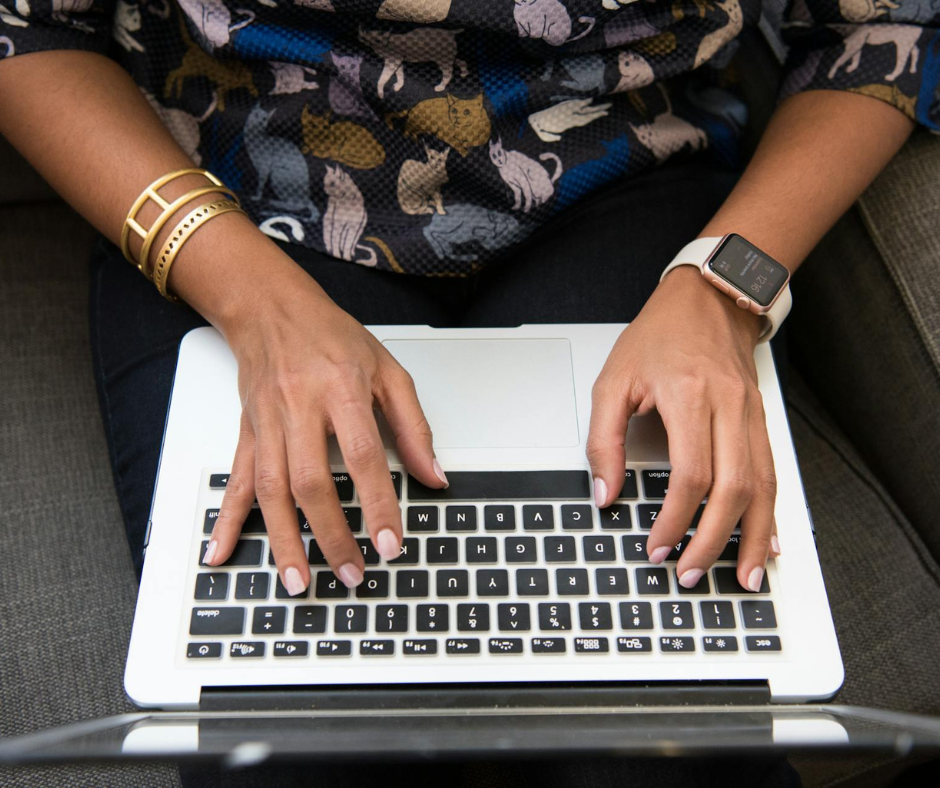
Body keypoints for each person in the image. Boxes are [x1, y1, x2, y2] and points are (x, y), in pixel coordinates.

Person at [0, 5, 935, 783]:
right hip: (234, 181)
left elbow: (885, 20)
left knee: (666, 734)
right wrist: (252, 301)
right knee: (302, 737)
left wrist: (726, 285)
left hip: (622, 167)